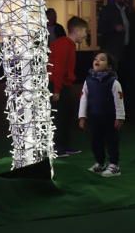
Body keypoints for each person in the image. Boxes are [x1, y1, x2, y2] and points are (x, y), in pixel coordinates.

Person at [79, 51, 125, 177]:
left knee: (112, 141)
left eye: (102, 59)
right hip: (94, 118)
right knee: (96, 141)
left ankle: (114, 166)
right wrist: (82, 116)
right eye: (95, 59)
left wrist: (120, 117)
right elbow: (83, 98)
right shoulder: (88, 81)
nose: (97, 61)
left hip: (110, 118)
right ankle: (100, 163)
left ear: (109, 66)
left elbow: (119, 100)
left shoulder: (114, 82)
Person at [49, 16, 88, 156]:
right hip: (57, 85)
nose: (85, 35)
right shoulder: (64, 44)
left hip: (63, 85)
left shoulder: (68, 44)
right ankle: (58, 147)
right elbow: (57, 68)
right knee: (59, 117)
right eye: (84, 31)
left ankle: (64, 146)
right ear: (77, 30)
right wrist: (57, 90)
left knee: (66, 116)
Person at [98, 0, 132, 67]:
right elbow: (100, 28)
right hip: (112, 50)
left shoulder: (128, 10)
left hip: (126, 49)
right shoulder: (107, 10)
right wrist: (114, 28)